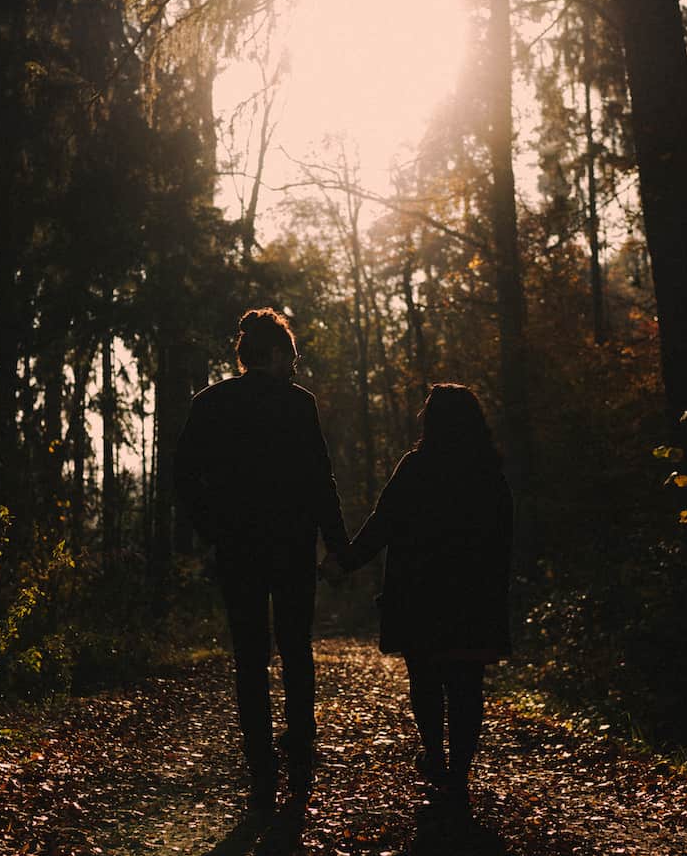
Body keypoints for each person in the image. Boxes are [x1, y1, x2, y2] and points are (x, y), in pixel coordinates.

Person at [175, 308, 348, 810]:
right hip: (292, 545)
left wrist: (211, 530)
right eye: (292, 355)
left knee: (249, 655)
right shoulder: (298, 404)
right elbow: (320, 480)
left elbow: (183, 476)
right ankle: (300, 745)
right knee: (295, 646)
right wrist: (337, 546)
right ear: (274, 354)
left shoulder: (211, 402)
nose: (295, 364)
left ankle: (260, 760)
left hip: (238, 548)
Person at [339, 384, 513, 807]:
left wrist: (344, 563)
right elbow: (504, 535)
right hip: (472, 596)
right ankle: (459, 773)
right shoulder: (488, 470)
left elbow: (383, 522)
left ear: (431, 421)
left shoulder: (416, 467)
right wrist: (497, 588)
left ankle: (435, 754)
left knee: (426, 680)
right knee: (467, 685)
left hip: (419, 595)